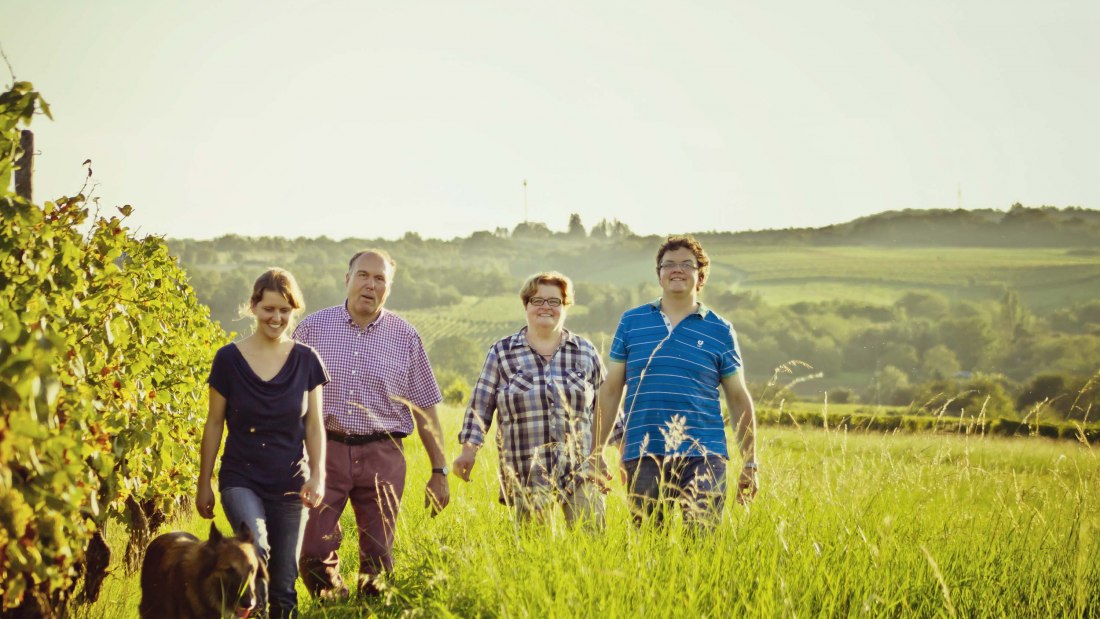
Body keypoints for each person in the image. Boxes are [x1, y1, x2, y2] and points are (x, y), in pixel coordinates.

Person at [293, 249, 450, 598]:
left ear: (389, 288)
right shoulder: (312, 329)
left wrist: (440, 471)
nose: (370, 284)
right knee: (311, 550)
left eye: (380, 279)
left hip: (384, 453)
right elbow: (289, 398)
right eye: (363, 275)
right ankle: (335, 601)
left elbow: (426, 409)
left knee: (378, 555)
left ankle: (370, 609)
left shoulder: (406, 336)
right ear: (347, 279)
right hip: (325, 451)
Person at [594, 234, 758, 528]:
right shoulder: (632, 322)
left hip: (705, 453)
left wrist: (750, 462)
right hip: (643, 451)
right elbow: (610, 390)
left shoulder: (720, 329)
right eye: (668, 264)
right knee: (648, 546)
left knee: (701, 546)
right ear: (659, 275)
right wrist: (595, 452)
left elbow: (738, 397)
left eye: (687, 264)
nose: (677, 269)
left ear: (701, 275)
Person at [196, 268, 329, 619]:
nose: (277, 318)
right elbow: (214, 424)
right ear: (253, 307)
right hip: (241, 477)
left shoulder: (307, 359)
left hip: (290, 482)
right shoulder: (228, 359)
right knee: (257, 550)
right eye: (269, 309)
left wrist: (318, 477)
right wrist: (203, 483)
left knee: (285, 580)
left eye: (285, 310)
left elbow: (314, 425)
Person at [453, 272, 606, 525]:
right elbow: (480, 405)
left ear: (565, 307)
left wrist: (622, 452)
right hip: (527, 472)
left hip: (581, 469)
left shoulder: (585, 351)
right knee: (535, 552)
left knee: (590, 544)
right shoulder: (502, 352)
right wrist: (468, 450)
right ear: (526, 305)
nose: (545, 307)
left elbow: (607, 405)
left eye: (554, 301)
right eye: (537, 300)